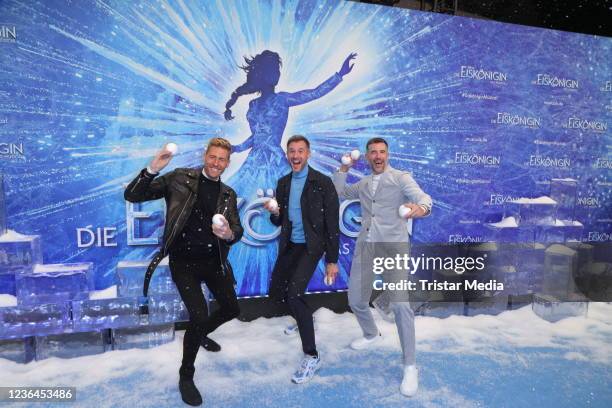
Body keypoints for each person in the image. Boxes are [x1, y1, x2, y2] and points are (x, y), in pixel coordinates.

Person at [223, 50, 356, 296]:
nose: (276, 74)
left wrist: (339, 75)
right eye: (271, 69)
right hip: (255, 161)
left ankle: (303, 275)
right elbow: (257, 136)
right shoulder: (252, 104)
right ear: (261, 74)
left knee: (296, 214)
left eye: (277, 69)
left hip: (276, 160)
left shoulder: (282, 99)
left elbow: (313, 93)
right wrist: (236, 147)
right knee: (252, 212)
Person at [124, 138, 243, 406]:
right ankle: (186, 375)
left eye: (222, 159)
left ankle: (199, 334)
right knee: (199, 315)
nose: (216, 163)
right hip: (184, 262)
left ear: (227, 162)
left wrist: (229, 233)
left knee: (232, 309)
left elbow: (237, 229)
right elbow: (133, 195)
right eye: (213, 157)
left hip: (214, 262)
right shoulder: (179, 179)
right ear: (205, 156)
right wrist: (152, 169)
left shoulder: (228, 194)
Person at [332, 137, 432, 397]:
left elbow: (423, 199)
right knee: (355, 300)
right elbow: (339, 192)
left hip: (393, 248)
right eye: (373, 152)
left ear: (387, 155)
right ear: (367, 157)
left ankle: (410, 365)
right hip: (366, 246)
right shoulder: (364, 183)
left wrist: (419, 208)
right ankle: (370, 333)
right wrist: (344, 169)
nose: (378, 156)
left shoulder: (401, 177)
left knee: (400, 305)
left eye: (382, 152)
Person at [262, 135, 340, 384]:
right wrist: (275, 212)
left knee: (294, 295)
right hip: (290, 244)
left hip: (311, 246)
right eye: (291, 151)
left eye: (300, 151)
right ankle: (304, 316)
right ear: (287, 155)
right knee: (277, 292)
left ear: (308, 154)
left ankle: (312, 355)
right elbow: (279, 221)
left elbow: (332, 225)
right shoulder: (283, 183)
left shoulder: (322, 182)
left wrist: (332, 260)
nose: (296, 156)